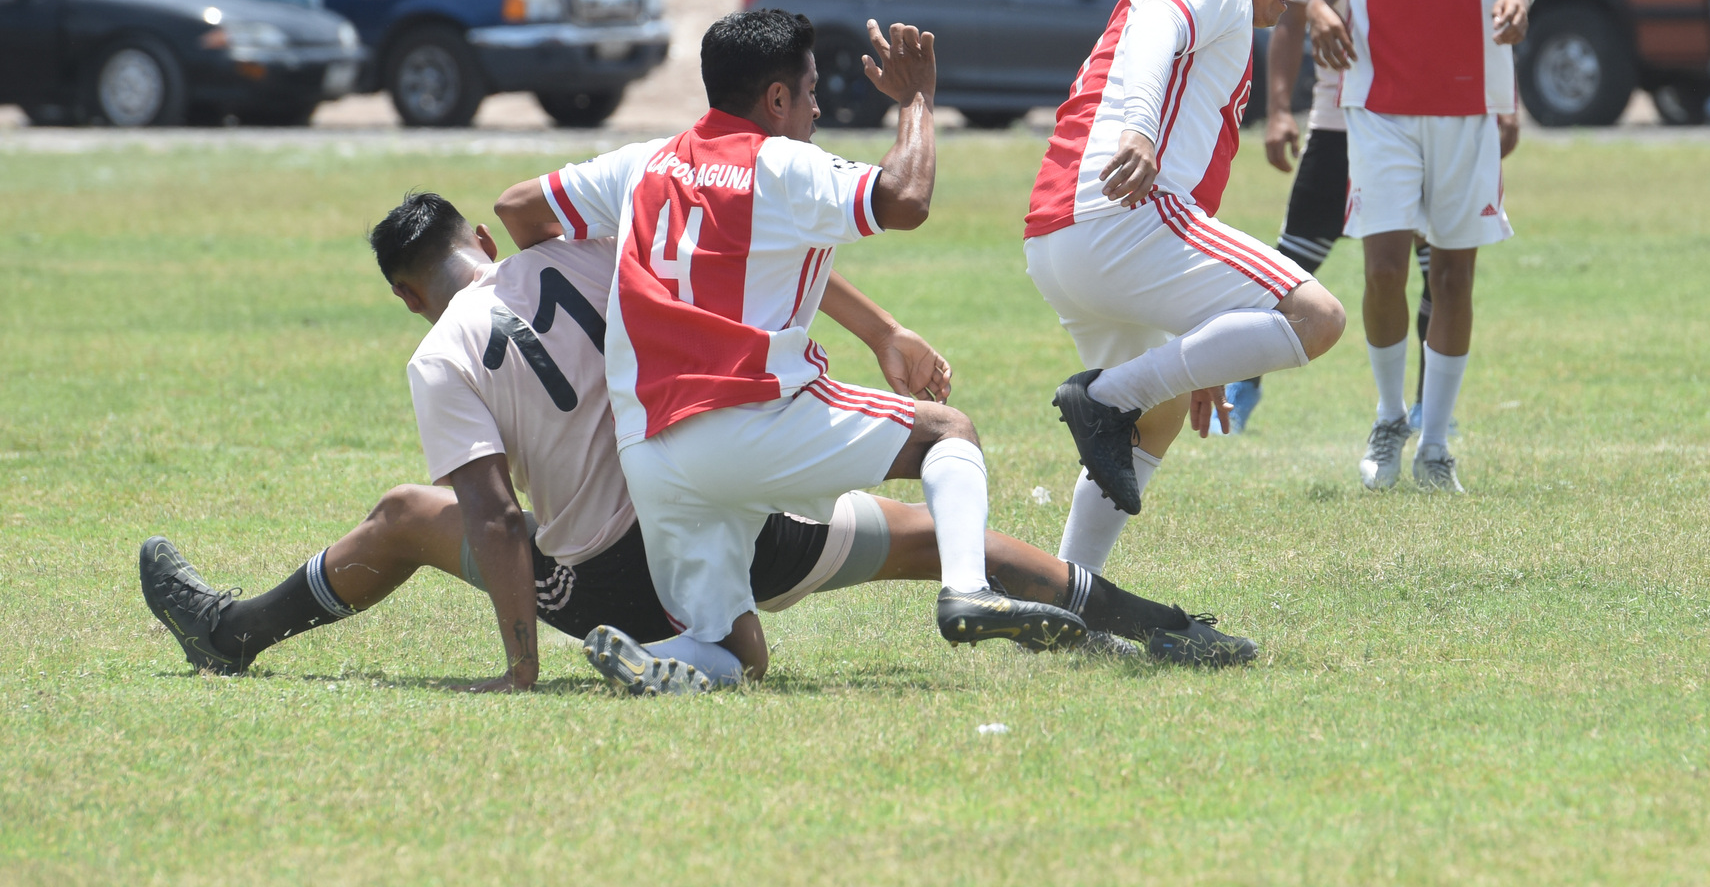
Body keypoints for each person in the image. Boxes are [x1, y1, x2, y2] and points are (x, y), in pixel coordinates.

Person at [137, 196, 1255, 695]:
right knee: (934, 539)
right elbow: (752, 264)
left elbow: (490, 517)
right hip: (741, 507)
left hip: (608, 574)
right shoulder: (597, 245)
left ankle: (236, 632)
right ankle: (1162, 629)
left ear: (404, 292)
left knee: (402, 514)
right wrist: (880, 332)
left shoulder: (438, 355)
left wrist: (522, 669)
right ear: (480, 238)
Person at [492, 10, 1083, 685]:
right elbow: (905, 197)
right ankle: (968, 588)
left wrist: (614, 263)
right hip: (751, 422)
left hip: (652, 455)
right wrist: (917, 101)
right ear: (776, 99)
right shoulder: (783, 166)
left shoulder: (645, 164)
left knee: (736, 654)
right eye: (809, 91)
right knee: (947, 432)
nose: (818, 105)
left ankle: (661, 662)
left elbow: (517, 208)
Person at [1021, 0, 1347, 578]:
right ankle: (1102, 398)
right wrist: (1138, 128)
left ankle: (1070, 592)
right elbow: (1156, 25)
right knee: (1317, 319)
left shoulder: (1224, 5)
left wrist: (1205, 348)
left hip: (1060, 239)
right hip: (1121, 214)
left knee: (1157, 415)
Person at [1227, 0, 1518, 440]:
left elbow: (1488, 9)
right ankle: (1239, 383)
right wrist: (1280, 112)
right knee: (1296, 255)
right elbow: (1291, 17)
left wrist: (1505, 102)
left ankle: (1424, 414)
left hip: (1429, 112)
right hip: (1341, 114)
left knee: (1432, 268)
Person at [1305, 0, 1543, 495]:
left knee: (1453, 277)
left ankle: (1437, 445)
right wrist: (1319, 9)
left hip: (1469, 99)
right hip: (1378, 99)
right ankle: (1387, 416)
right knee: (1380, 267)